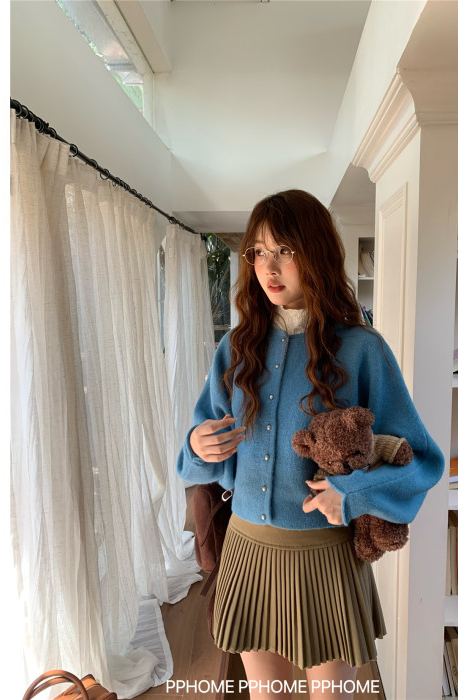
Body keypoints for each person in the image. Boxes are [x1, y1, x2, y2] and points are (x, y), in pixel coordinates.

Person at [177, 189, 444, 699]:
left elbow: (422, 460)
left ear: (315, 252)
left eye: (284, 250)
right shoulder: (235, 348)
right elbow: (193, 458)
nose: (268, 266)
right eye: (258, 252)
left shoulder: (363, 349)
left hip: (326, 559)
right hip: (248, 553)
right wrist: (197, 444)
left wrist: (353, 494)